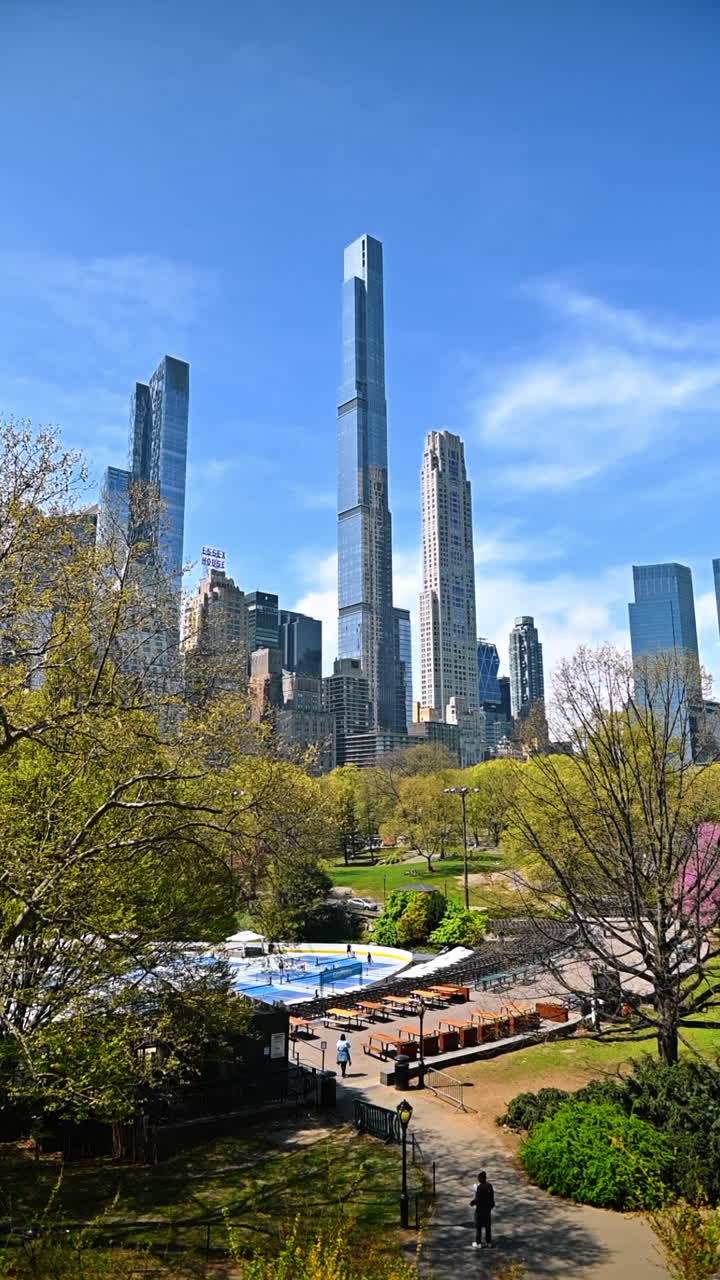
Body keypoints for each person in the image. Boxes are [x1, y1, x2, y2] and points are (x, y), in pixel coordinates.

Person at [471, 1170, 495, 1248]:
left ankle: (479, 1243)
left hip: (480, 1210)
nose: (478, 1179)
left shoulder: (480, 1187)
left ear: (481, 1178)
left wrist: (472, 1203)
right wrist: (490, 1207)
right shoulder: (489, 1186)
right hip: (487, 1210)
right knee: (488, 1226)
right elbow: (491, 1197)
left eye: (478, 1177)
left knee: (479, 1226)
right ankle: (489, 1242)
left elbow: (477, 1199)